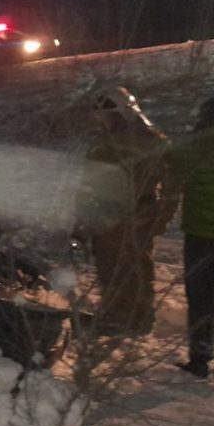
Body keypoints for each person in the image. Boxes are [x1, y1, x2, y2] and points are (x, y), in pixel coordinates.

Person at [75, 86, 180, 336]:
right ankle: (114, 315)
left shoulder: (150, 140)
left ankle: (137, 318)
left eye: (111, 115)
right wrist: (82, 217)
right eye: (103, 116)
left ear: (126, 112)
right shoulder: (101, 142)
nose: (106, 121)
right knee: (108, 266)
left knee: (135, 267)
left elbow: (173, 182)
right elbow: (87, 182)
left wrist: (161, 216)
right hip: (104, 215)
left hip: (138, 214)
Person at [169, 96, 214, 378]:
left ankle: (200, 358)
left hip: (201, 236)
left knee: (201, 299)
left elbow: (172, 178)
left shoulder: (192, 146)